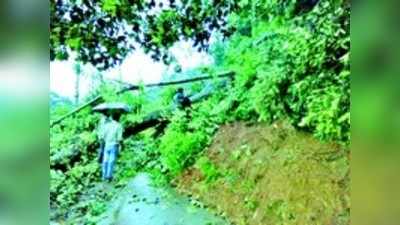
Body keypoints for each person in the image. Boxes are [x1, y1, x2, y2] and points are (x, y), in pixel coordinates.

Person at [101, 112, 124, 182]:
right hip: (114, 145)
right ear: (118, 118)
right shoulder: (119, 126)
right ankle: (109, 176)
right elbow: (119, 138)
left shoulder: (107, 125)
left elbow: (102, 136)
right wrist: (122, 145)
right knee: (111, 161)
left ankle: (104, 176)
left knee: (105, 160)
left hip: (107, 144)